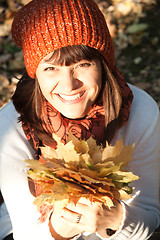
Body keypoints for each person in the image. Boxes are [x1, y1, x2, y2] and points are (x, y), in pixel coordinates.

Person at [0, 0, 159, 239]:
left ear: (102, 64)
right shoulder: (12, 126)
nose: (69, 84)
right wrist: (61, 228)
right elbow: (25, 232)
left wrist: (118, 220)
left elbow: (151, 213)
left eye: (83, 64)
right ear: (35, 73)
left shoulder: (141, 111)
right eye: (51, 68)